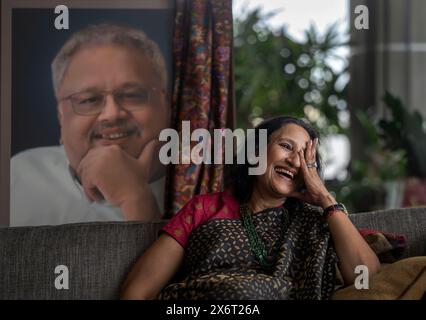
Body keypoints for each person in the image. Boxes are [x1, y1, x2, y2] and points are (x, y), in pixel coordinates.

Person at [120, 116, 381, 300]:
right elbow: (138, 291)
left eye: (306, 158)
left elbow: (366, 278)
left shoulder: (315, 221)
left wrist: (325, 197)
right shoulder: (205, 208)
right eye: (286, 146)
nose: (294, 161)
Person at [10, 24, 170, 226]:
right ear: (61, 114)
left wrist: (137, 199)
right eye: (88, 100)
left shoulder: (208, 188)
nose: (111, 114)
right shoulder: (17, 174)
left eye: (132, 95)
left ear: (166, 105)